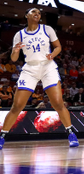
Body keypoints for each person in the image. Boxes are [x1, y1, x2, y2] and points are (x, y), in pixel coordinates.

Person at [1, 8, 79, 149]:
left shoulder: (47, 29)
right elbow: (13, 58)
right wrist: (15, 50)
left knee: (57, 103)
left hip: (47, 67)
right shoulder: (19, 34)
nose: (37, 14)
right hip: (30, 68)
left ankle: (71, 133)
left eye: (39, 12)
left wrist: (53, 54)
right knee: (17, 105)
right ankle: (2, 136)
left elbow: (58, 47)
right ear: (26, 15)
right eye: (33, 12)